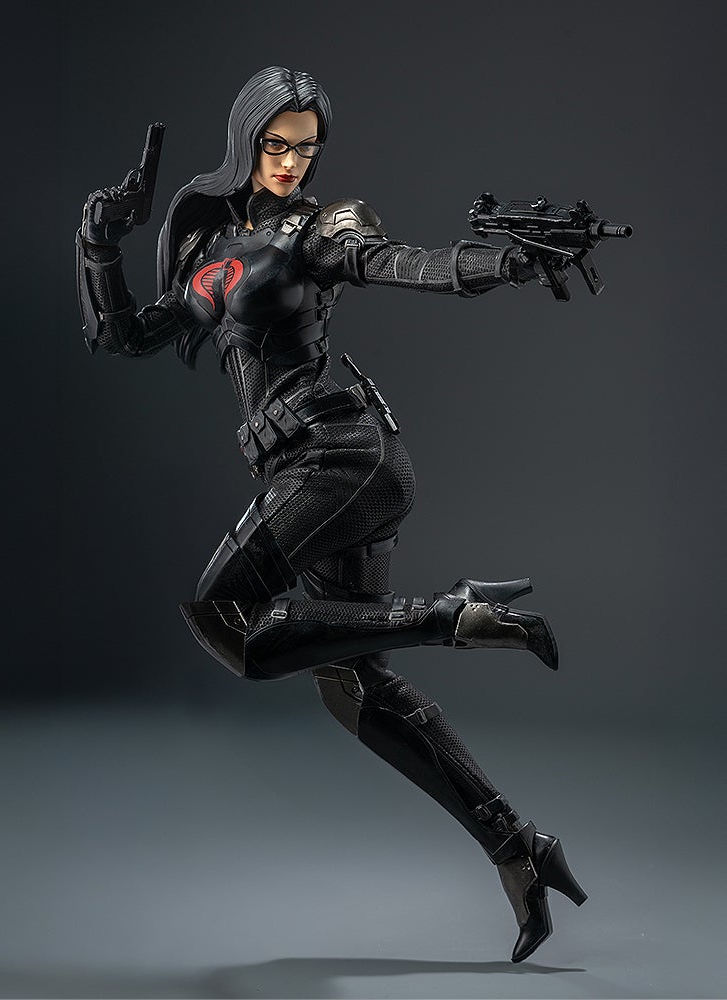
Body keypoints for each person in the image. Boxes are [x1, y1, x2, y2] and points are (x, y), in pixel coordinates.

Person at [75, 65, 586, 963]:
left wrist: (503, 262)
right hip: (315, 468)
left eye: (306, 149)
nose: (290, 163)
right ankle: (519, 847)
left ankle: (451, 614)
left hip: (343, 457)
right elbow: (123, 335)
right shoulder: (215, 245)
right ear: (245, 139)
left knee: (227, 619)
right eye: (276, 145)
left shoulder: (319, 228)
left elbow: (399, 262)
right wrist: (98, 242)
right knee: (356, 687)